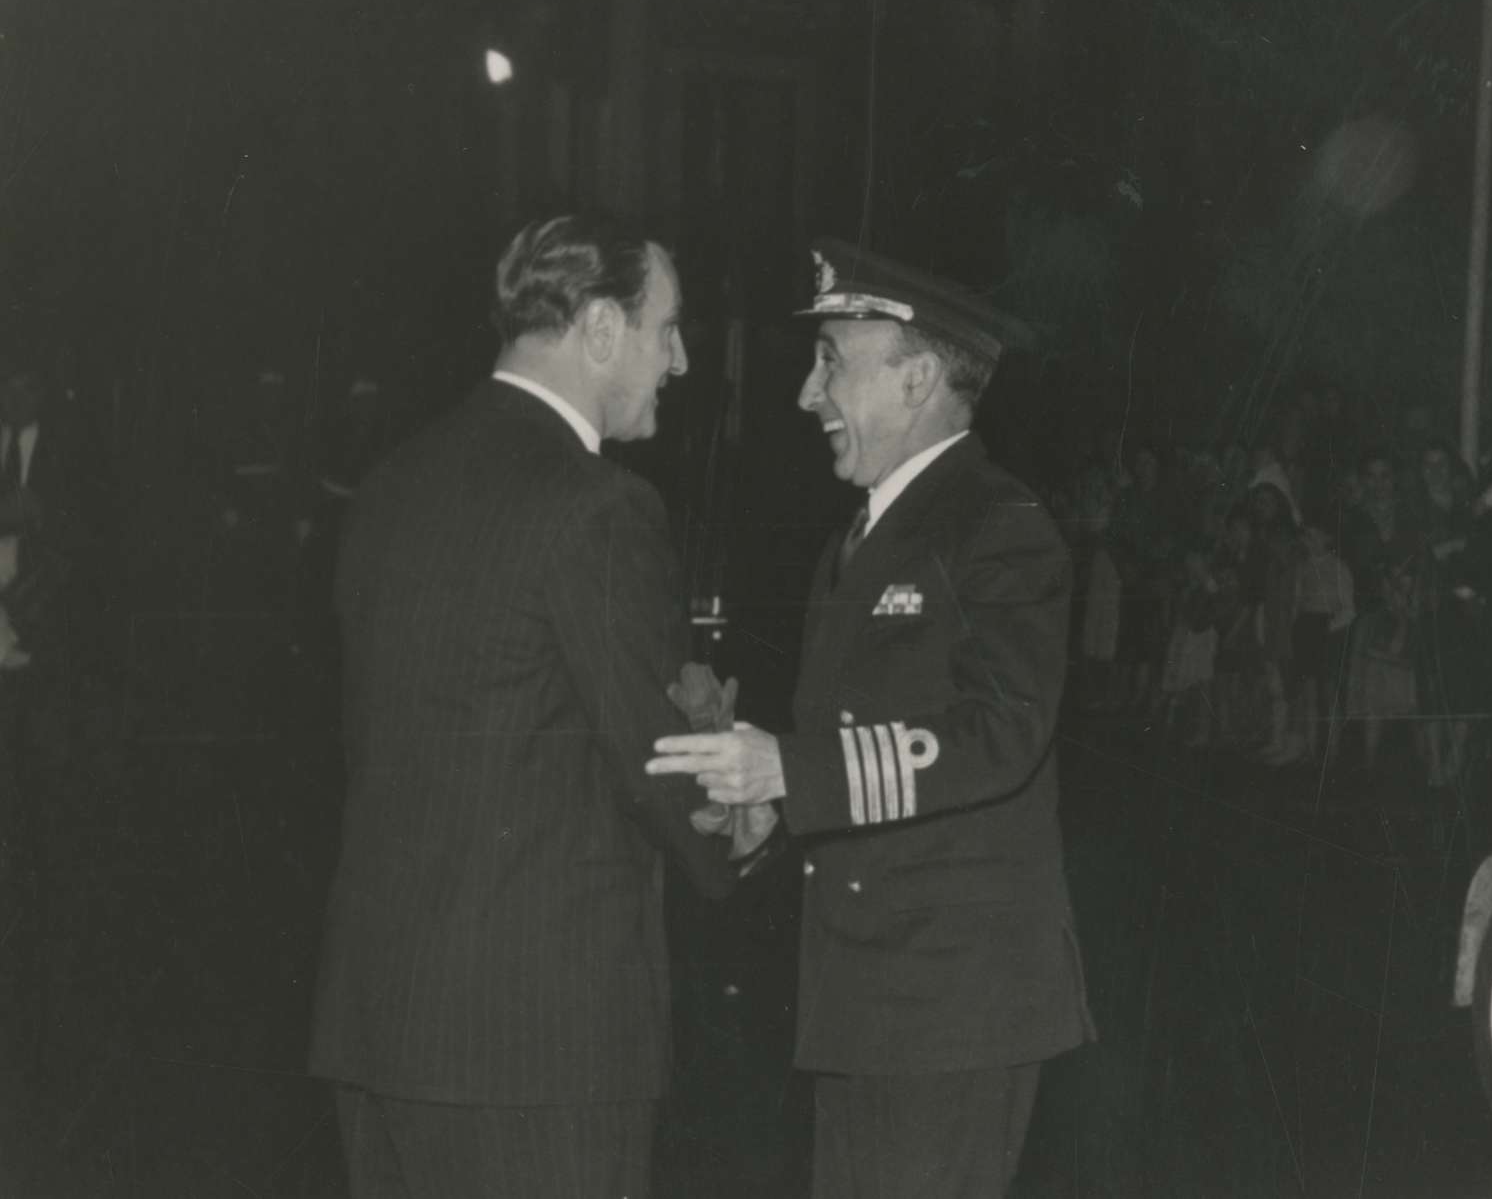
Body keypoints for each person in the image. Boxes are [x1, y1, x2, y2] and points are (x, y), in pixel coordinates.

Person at [647, 239, 1093, 1199]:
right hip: (865, 995)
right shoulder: (860, 538)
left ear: (918, 378)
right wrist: (768, 816)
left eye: (831, 362)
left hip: (952, 1004)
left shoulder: (998, 525)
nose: (808, 394)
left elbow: (1002, 734)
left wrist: (791, 772)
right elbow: (859, 748)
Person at [309, 215, 739, 1199]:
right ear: (601, 329)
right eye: (667, 328)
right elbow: (665, 766)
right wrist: (754, 823)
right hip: (534, 1053)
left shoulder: (390, 484)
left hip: (378, 1026)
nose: (679, 360)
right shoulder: (597, 506)